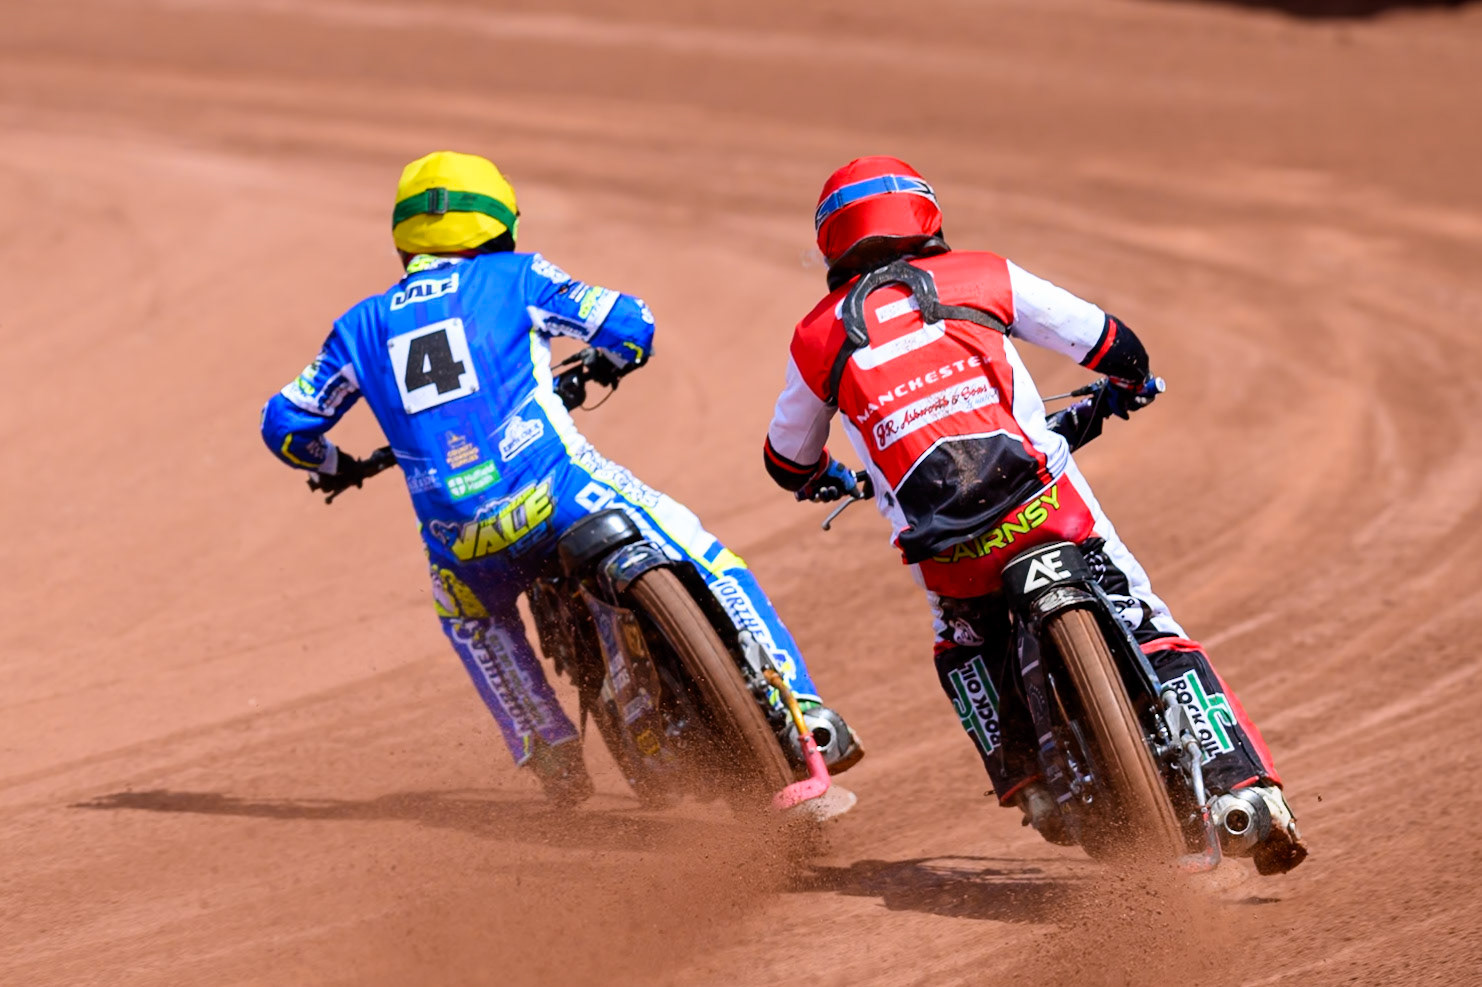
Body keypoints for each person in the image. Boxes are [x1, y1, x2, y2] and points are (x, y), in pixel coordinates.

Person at [261, 150, 860, 805]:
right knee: (705, 552)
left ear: (405, 236)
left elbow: (285, 424)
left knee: (472, 618)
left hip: (461, 541)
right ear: (499, 222)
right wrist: (610, 362)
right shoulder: (516, 276)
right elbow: (631, 323)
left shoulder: (359, 328)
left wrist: (336, 465)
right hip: (558, 493)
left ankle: (550, 751)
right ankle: (804, 714)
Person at [762, 155, 1306, 873]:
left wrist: (828, 477)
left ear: (833, 242)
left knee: (962, 645)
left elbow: (786, 459)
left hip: (949, 554)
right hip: (1047, 505)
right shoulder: (981, 275)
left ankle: (1028, 781)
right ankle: (1244, 788)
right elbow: (1112, 343)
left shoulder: (817, 336)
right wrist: (1128, 385)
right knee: (1150, 628)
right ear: (924, 212)